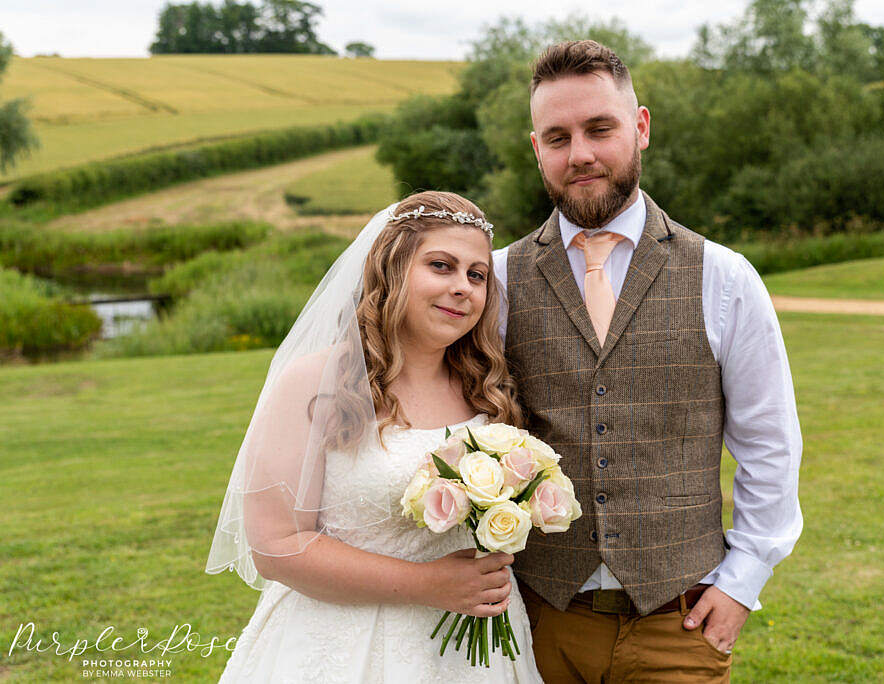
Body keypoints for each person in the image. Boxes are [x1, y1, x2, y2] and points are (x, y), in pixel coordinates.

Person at [492, 40, 804, 682]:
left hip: (679, 623)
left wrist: (743, 583)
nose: (580, 154)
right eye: (558, 137)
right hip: (537, 620)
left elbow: (769, 444)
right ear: (537, 150)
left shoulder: (724, 276)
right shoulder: (496, 281)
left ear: (640, 127)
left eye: (599, 129)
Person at [206, 191, 543, 683]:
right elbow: (276, 545)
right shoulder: (317, 383)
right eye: (441, 266)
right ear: (392, 270)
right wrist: (429, 584)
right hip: (346, 645)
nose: (462, 288)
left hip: (476, 657)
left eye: (476, 275)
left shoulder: (487, 390)